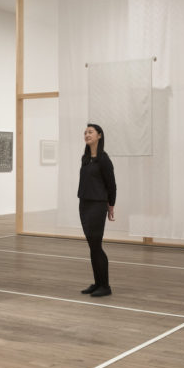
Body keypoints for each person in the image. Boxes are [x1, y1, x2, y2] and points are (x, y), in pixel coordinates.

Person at [78, 123, 116, 297]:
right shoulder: (85, 159)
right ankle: (97, 282)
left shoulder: (104, 159)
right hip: (84, 204)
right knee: (92, 246)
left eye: (90, 132)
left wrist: (111, 206)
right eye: (85, 132)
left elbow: (111, 185)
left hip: (97, 205)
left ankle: (105, 286)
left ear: (99, 135)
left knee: (96, 245)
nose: (87, 134)